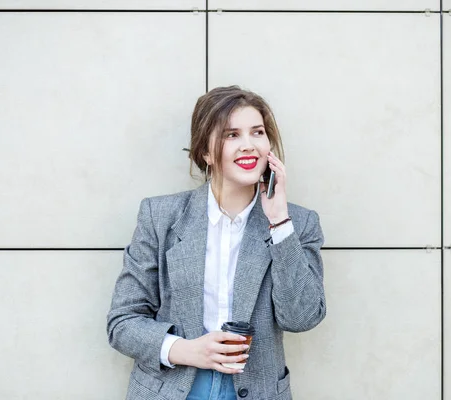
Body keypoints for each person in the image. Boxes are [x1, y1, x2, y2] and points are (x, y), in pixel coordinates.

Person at [107, 85, 326, 400]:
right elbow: (122, 323)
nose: (248, 146)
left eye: (258, 132)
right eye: (231, 135)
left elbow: (301, 317)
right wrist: (185, 350)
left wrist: (279, 223)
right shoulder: (160, 217)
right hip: (172, 387)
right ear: (205, 152)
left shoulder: (298, 224)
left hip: (259, 389)